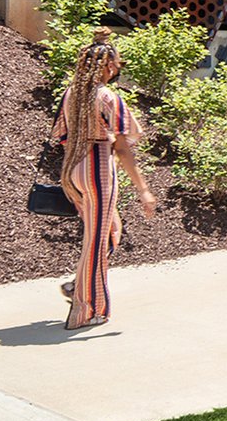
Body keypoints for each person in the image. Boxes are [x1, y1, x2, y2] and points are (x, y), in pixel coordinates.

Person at [52, 28, 157, 331]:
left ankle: (77, 286)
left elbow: (60, 135)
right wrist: (144, 190)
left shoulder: (71, 93)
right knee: (98, 240)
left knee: (110, 230)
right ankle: (88, 310)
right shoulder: (107, 96)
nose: (117, 69)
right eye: (117, 64)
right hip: (97, 166)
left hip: (72, 169)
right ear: (108, 66)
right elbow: (123, 148)